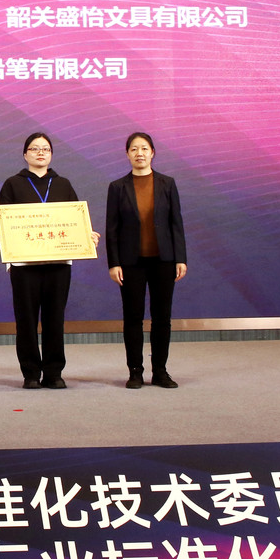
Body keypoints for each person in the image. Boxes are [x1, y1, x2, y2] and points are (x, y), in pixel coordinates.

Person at [0, 132, 99, 390]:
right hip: (24, 266)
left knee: (55, 318)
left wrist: (87, 235)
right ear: (25, 154)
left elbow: (76, 220)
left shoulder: (63, 184)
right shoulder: (13, 184)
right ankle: (30, 373)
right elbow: (0, 221)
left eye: (46, 149)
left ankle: (53, 372)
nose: (40, 152)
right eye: (34, 148)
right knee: (26, 320)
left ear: (51, 154)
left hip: (58, 264)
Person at [104, 132, 188, 389]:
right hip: (131, 262)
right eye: (134, 149)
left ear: (152, 153)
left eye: (144, 148)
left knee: (162, 318)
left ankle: (160, 371)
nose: (139, 153)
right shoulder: (117, 187)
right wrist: (114, 263)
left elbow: (176, 223)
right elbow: (112, 229)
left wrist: (180, 258)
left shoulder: (167, 183)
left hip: (164, 260)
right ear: (127, 154)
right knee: (133, 318)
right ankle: (135, 371)